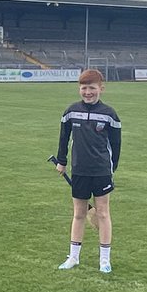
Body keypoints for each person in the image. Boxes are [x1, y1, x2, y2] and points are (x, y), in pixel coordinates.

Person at [53, 68, 122, 273]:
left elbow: (116, 145)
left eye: (92, 88)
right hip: (79, 170)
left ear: (101, 88)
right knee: (79, 213)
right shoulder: (71, 111)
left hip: (101, 171)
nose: (87, 92)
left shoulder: (110, 114)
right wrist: (62, 161)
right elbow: (63, 139)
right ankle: (73, 257)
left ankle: (104, 260)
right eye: (83, 88)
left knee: (102, 213)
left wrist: (112, 168)